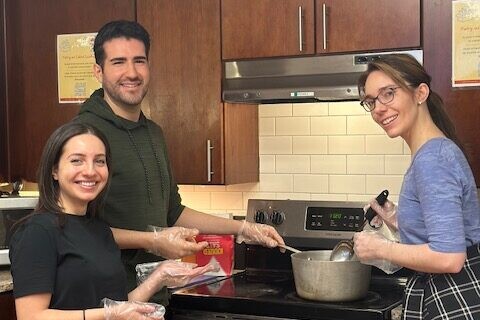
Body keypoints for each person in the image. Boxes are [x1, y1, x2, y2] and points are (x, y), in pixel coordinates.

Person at [75, 20, 285, 305]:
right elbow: (76, 229)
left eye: (139, 61)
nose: (132, 73)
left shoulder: (153, 133)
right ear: (98, 71)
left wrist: (243, 229)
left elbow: (172, 212)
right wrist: (152, 241)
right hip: (103, 300)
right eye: (118, 62)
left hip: (153, 295)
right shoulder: (84, 135)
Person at [9, 122, 215, 320]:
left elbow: (118, 308)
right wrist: (109, 314)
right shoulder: (37, 232)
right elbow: (32, 316)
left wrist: (159, 277)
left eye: (99, 161)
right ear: (54, 170)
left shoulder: (99, 230)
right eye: (77, 160)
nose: (90, 171)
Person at [353, 54, 480, 319]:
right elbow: (445, 232)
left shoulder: (432, 159)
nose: (378, 108)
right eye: (371, 101)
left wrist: (379, 248)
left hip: (450, 297)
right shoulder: (434, 152)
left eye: (388, 93)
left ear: (420, 93)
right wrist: (400, 220)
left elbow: (449, 258)